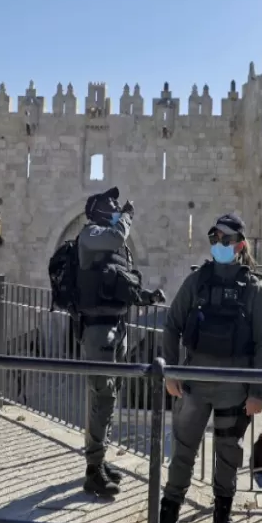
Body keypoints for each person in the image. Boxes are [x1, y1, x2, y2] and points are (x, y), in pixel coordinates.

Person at [160, 213, 262, 523]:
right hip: (195, 386)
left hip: (234, 392)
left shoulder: (253, 288)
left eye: (225, 240)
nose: (218, 246)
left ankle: (222, 518)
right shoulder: (198, 281)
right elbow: (172, 324)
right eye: (214, 239)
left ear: (239, 245)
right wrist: (170, 371)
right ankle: (168, 515)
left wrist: (257, 392)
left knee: (228, 455)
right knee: (183, 452)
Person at [74, 187, 165, 497]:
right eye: (111, 205)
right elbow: (116, 236)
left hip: (118, 326)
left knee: (110, 397)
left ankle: (99, 461)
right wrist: (126, 217)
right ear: (98, 210)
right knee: (101, 396)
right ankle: (92, 470)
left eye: (118, 206)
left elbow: (120, 283)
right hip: (98, 330)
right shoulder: (92, 235)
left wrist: (147, 297)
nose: (116, 207)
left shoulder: (113, 246)